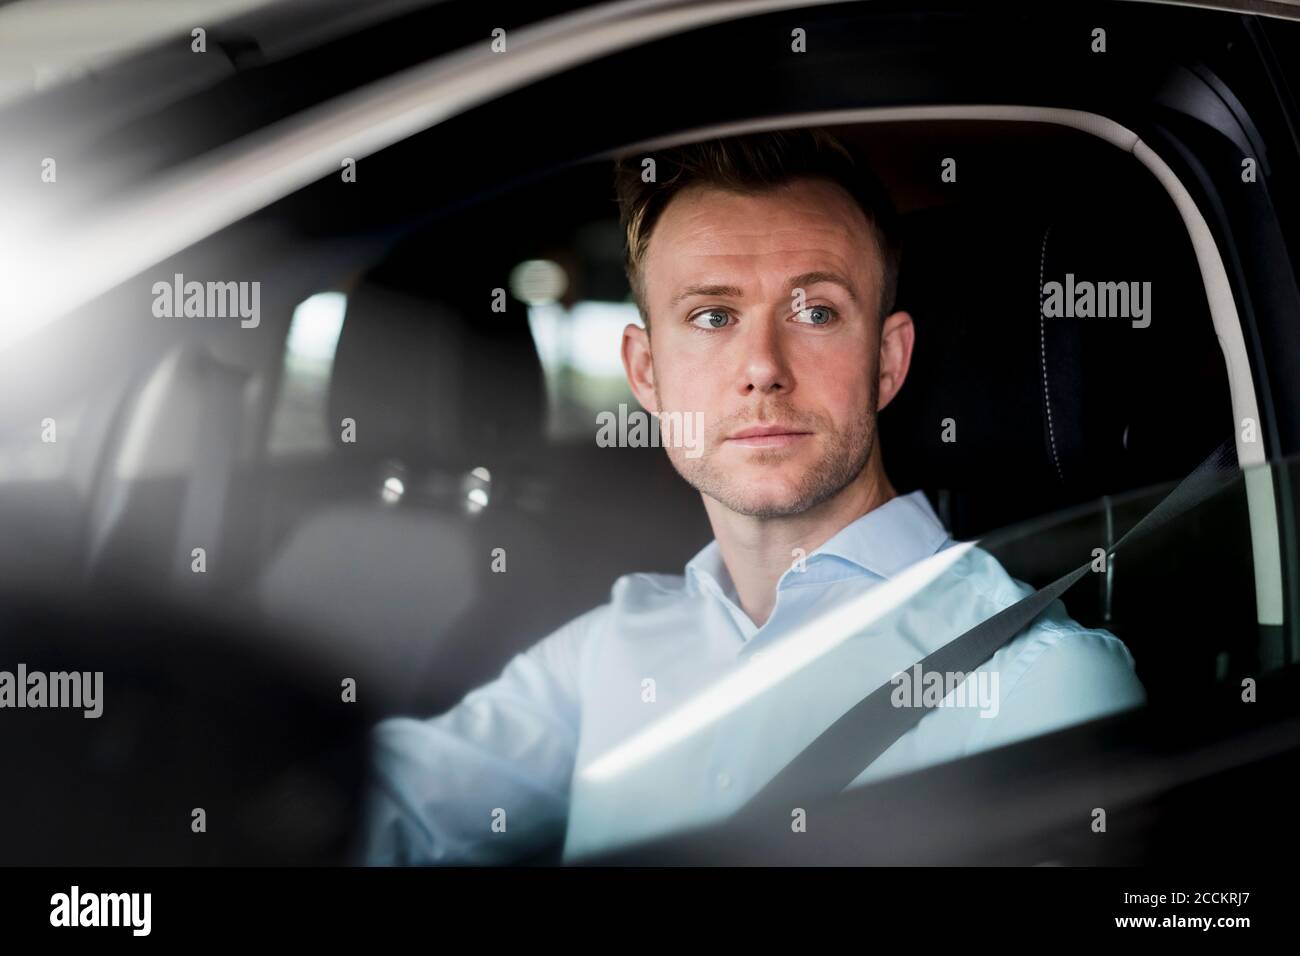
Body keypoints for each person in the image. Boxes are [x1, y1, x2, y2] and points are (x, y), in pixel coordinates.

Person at [362, 128, 1146, 865]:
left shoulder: (1041, 681)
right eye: (712, 316)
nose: (762, 366)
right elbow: (361, 813)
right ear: (646, 375)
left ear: (887, 361)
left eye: (815, 311)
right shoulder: (609, 648)